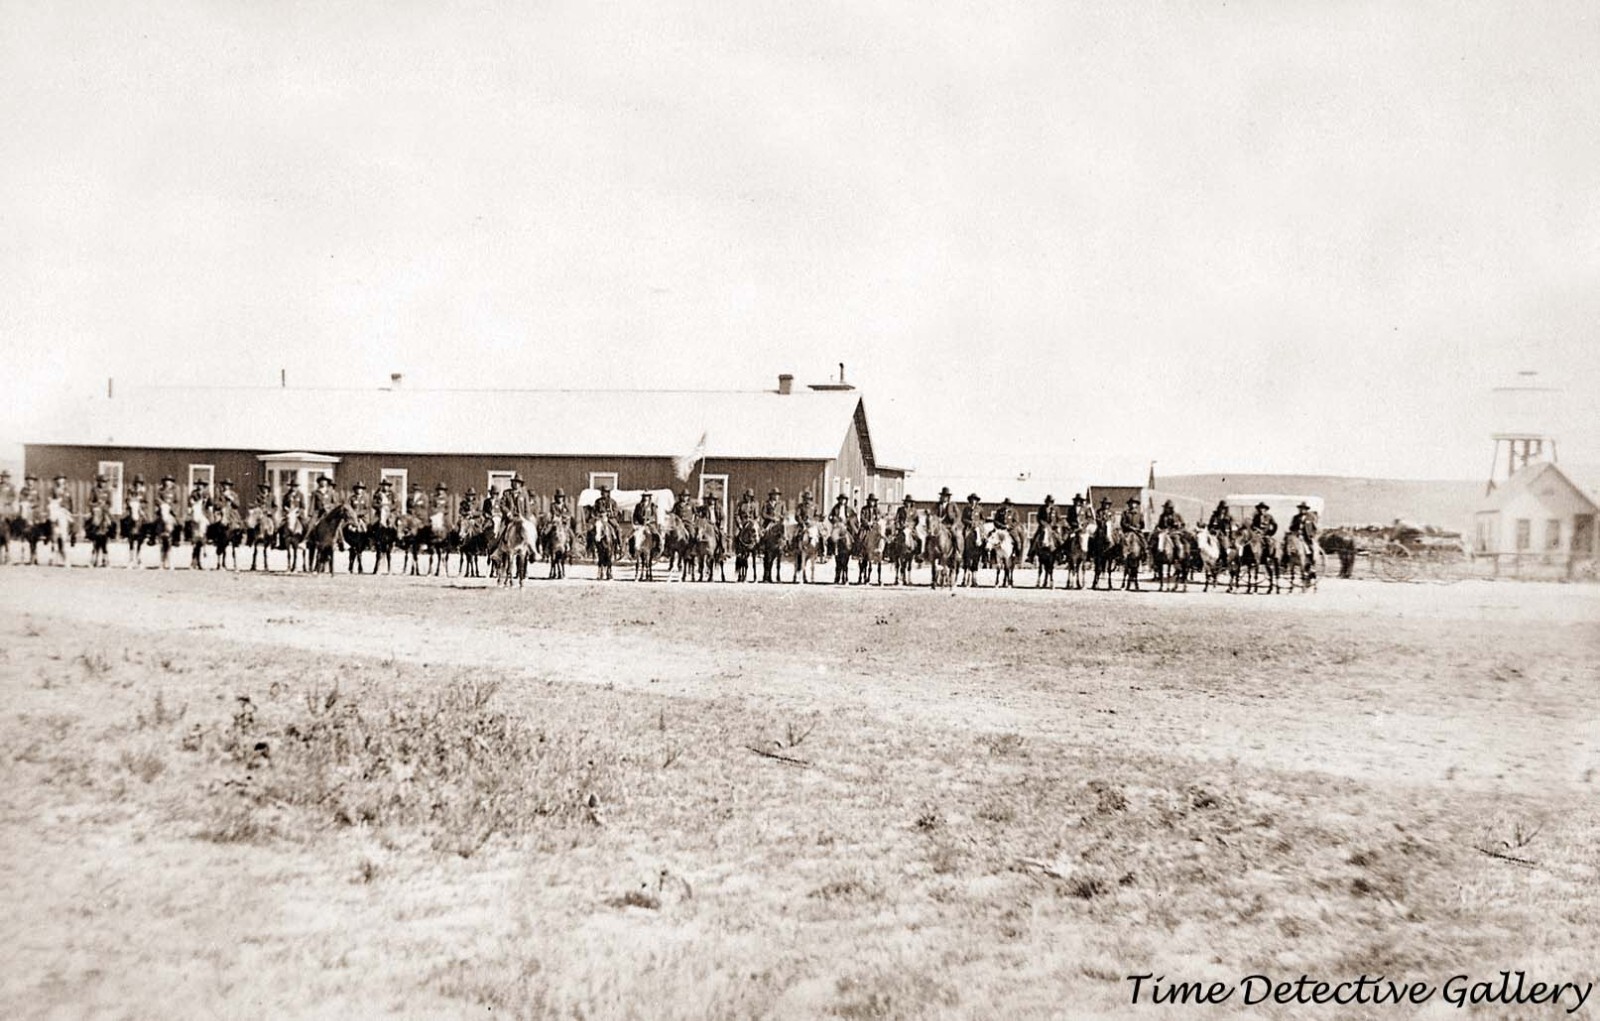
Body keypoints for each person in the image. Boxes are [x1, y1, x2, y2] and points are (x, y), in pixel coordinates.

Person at [1288, 501, 1319, 579]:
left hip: (1307, 537)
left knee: (1312, 549)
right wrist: (1295, 530)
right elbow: (1291, 527)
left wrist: (1312, 535)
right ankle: (1286, 561)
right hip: (1297, 536)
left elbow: (1315, 528)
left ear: (1306, 509)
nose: (1302, 510)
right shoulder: (1295, 517)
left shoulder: (1311, 517)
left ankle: (1312, 565)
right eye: (1301, 509)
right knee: (1289, 545)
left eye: (1304, 509)